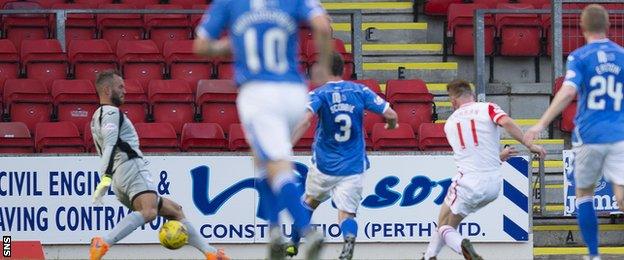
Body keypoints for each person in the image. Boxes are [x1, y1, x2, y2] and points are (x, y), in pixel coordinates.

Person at [193, 0, 333, 259]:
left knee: (276, 165)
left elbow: (200, 45)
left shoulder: (229, 3)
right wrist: (323, 65)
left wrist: (224, 47)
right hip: (294, 91)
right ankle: (275, 232)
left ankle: (306, 228)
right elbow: (323, 26)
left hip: (258, 92)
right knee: (263, 160)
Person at [88, 71, 228, 260]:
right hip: (131, 169)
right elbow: (111, 145)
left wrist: (108, 179)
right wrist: (104, 179)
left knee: (175, 210)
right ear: (107, 89)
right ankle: (104, 242)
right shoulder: (112, 113)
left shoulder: (97, 116)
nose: (125, 91)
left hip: (121, 177)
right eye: (120, 86)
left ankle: (210, 253)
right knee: (149, 211)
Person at [524, 5, 624, 260]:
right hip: (619, 134)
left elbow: (568, 91)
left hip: (589, 135)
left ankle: (593, 255)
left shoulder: (579, 57)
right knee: (622, 196)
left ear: (582, 27)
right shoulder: (622, 54)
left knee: (584, 193)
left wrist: (541, 123)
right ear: (608, 26)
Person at [286, 53, 398, 260]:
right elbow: (391, 114)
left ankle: (292, 244)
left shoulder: (319, 93)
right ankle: (348, 238)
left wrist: (287, 145)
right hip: (353, 166)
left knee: (309, 202)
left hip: (324, 165)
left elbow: (304, 120)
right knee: (347, 214)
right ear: (343, 69)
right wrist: (391, 126)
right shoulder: (360, 90)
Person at [423, 80, 546, 260]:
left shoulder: (449, 123)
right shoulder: (488, 108)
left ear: (454, 100)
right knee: (449, 226)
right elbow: (506, 122)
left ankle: (461, 247)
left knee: (443, 226)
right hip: (493, 185)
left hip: (467, 182)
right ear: (471, 94)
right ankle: (429, 257)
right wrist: (528, 144)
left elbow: (471, 156)